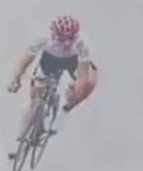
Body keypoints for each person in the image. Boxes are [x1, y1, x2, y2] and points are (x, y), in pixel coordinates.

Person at [6, 14, 98, 156]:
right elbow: (25, 61)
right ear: (53, 34)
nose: (67, 43)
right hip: (50, 60)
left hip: (73, 61)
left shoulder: (81, 42)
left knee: (90, 82)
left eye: (71, 38)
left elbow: (83, 73)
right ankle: (27, 133)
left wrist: (76, 88)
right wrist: (15, 79)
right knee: (36, 95)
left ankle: (65, 111)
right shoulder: (43, 38)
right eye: (62, 38)